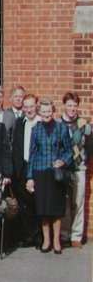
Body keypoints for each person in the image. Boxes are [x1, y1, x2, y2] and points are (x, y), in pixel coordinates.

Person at [25, 98, 73, 255]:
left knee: (56, 209)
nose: (46, 114)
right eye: (43, 111)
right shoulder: (36, 129)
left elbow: (69, 151)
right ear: (39, 112)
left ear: (53, 111)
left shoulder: (62, 128)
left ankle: (57, 240)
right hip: (40, 172)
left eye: (49, 111)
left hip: (55, 174)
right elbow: (32, 154)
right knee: (43, 209)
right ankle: (46, 240)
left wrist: (62, 161)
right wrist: (30, 177)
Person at [60, 92, 91, 248]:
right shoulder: (58, 123)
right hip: (64, 169)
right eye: (69, 105)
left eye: (74, 105)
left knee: (78, 201)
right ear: (64, 105)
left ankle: (76, 236)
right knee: (64, 201)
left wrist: (85, 162)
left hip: (79, 167)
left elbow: (89, 147)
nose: (72, 108)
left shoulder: (84, 124)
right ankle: (64, 234)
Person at [11, 94, 40, 246]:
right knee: (24, 204)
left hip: (38, 168)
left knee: (37, 203)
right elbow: (16, 147)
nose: (29, 109)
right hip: (22, 167)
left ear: (36, 106)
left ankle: (39, 236)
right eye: (26, 106)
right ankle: (28, 236)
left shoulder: (41, 123)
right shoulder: (20, 123)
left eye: (31, 106)